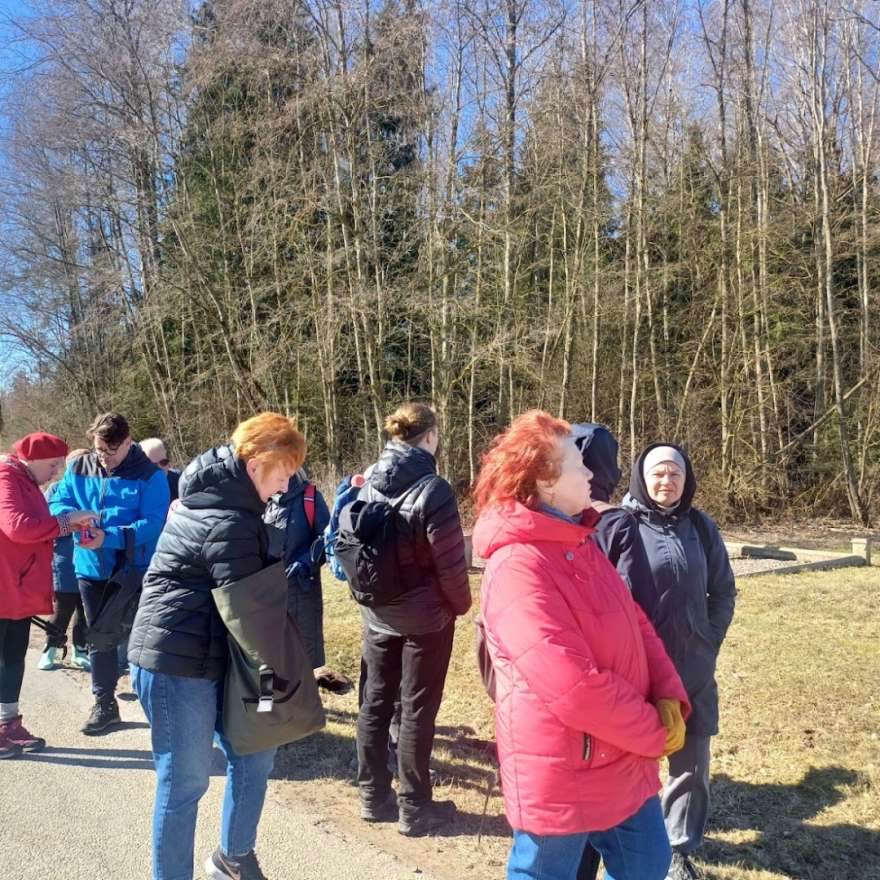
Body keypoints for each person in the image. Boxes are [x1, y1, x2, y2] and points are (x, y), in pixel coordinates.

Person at [472, 411, 690, 880]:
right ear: (545, 481)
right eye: (578, 464)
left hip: (622, 757)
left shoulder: (579, 539)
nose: (591, 473)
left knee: (649, 863)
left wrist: (669, 692)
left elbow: (635, 622)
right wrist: (653, 731)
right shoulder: (517, 566)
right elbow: (573, 686)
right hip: (564, 766)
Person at [128, 412, 306, 880]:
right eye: (284, 473)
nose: (285, 486)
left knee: (255, 752)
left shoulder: (231, 504)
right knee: (185, 782)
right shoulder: (230, 519)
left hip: (215, 653)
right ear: (256, 465)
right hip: (174, 663)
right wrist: (272, 688)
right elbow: (255, 617)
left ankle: (233, 856)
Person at [356, 402, 471, 836]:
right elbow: (450, 563)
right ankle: (414, 807)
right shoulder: (434, 489)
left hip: (378, 611)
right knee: (417, 710)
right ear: (430, 437)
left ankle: (372, 795)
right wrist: (459, 606)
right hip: (425, 618)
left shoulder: (369, 480)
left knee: (375, 703)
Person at [623, 444, 736, 880]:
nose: (666, 482)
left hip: (693, 668)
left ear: (687, 480)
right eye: (658, 473)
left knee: (691, 764)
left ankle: (677, 849)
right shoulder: (620, 526)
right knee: (633, 762)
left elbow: (723, 591)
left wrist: (708, 638)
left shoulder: (702, 527)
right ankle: (632, 841)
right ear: (641, 477)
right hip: (637, 671)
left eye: (675, 474)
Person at [49, 412, 170, 735]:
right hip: (89, 568)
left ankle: (158, 705)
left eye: (111, 451)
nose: (104, 458)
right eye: (99, 450)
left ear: (128, 442)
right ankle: (105, 704)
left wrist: (110, 537)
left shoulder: (149, 475)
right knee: (99, 637)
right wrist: (74, 517)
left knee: (143, 638)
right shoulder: (79, 467)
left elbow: (154, 523)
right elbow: (58, 501)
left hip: (134, 570)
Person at [0, 432, 96, 757]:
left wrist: (68, 525)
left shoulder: (26, 482)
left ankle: (8, 725)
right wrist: (66, 522)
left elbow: (40, 524)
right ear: (35, 458)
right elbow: (17, 526)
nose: (56, 472)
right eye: (54, 465)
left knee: (12, 659)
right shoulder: (7, 477)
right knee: (5, 659)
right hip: (5, 587)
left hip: (17, 589)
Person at [263, 468, 349, 691]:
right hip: (267, 590)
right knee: (266, 653)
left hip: (302, 590)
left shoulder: (310, 497)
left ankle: (301, 710)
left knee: (303, 653)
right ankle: (266, 707)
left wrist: (305, 562)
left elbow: (326, 537)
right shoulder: (262, 496)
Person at [38, 448, 92, 672]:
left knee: (85, 609)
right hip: (65, 558)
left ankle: (80, 651)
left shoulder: (95, 488)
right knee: (62, 607)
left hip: (91, 559)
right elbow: (47, 521)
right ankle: (50, 649)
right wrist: (75, 518)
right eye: (76, 464)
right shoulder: (56, 488)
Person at [141, 437, 181, 502]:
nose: (160, 468)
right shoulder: (135, 492)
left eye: (163, 462)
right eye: (153, 465)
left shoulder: (180, 480)